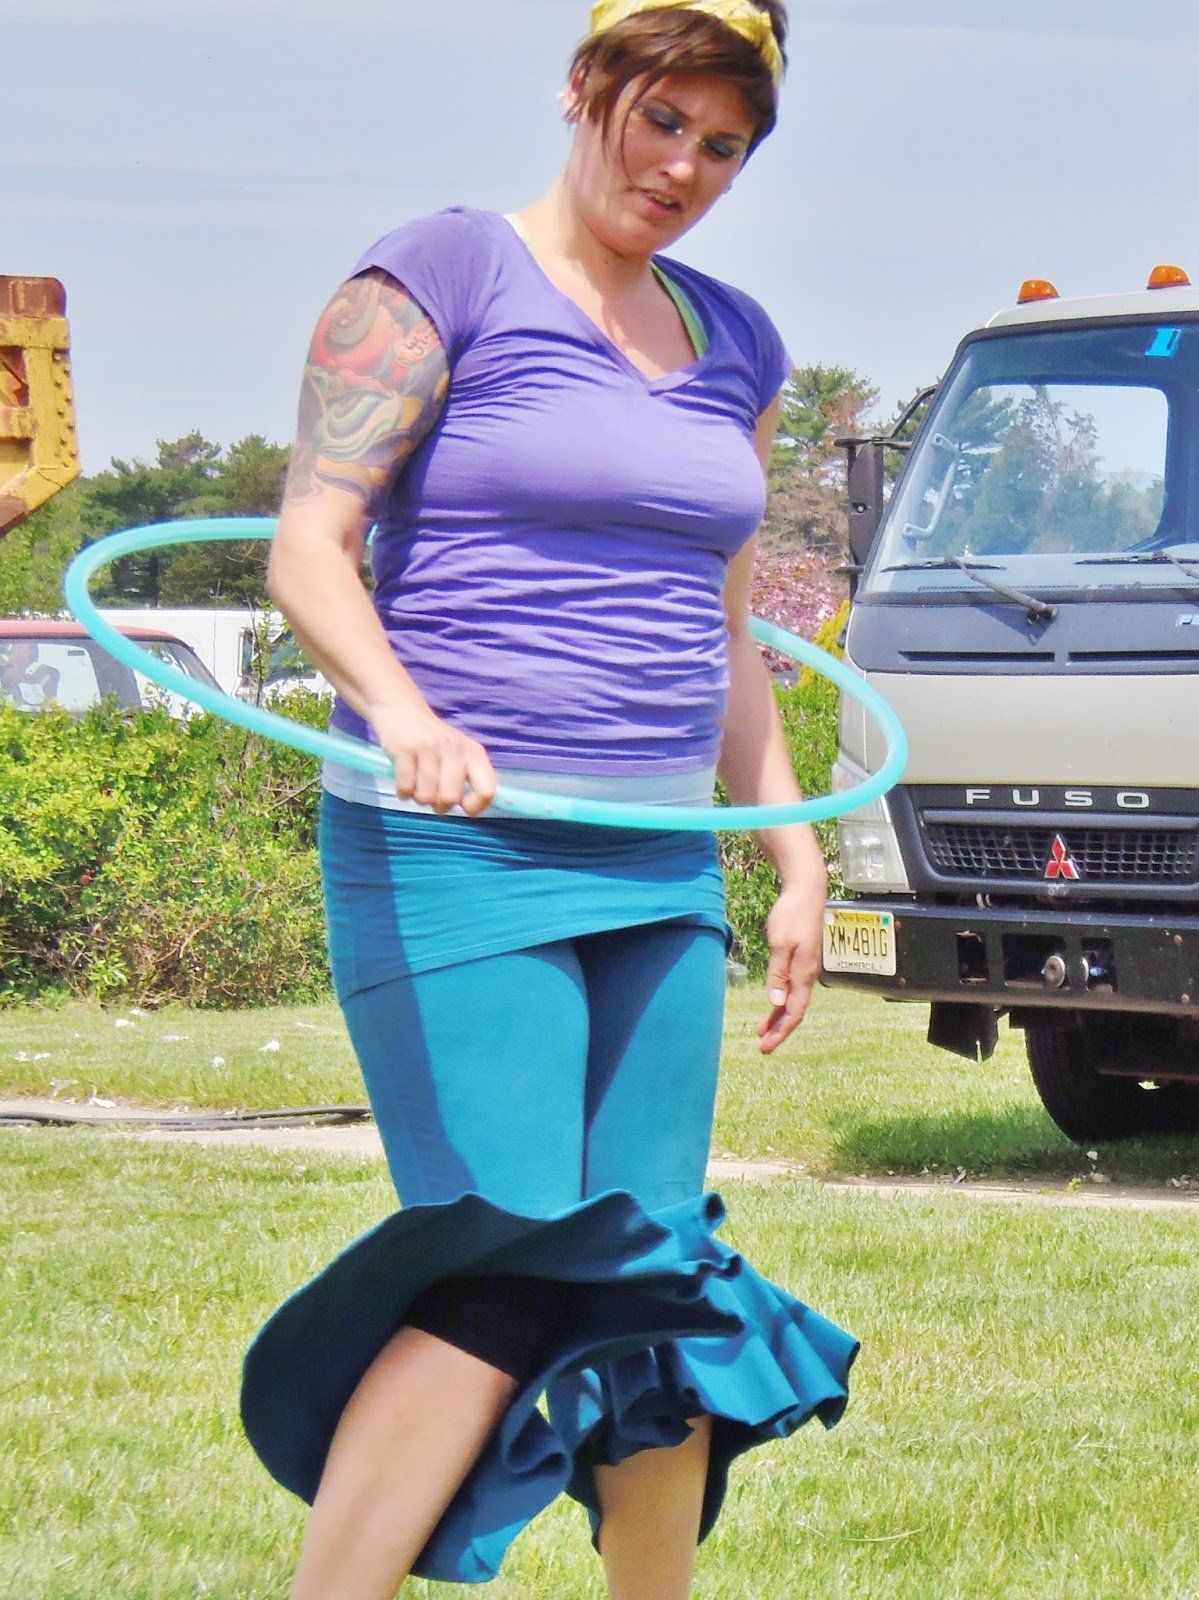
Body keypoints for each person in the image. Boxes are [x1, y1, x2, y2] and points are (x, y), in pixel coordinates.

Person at [241, 3, 859, 1596]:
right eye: (661, 122)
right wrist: (404, 712)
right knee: (513, 1254)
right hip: (458, 842)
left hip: (661, 861)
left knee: (656, 1271)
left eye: (723, 146)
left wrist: (789, 849)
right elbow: (311, 545)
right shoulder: (436, 276)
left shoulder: (738, 343)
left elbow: (724, 638)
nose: (685, 168)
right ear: (587, 92)